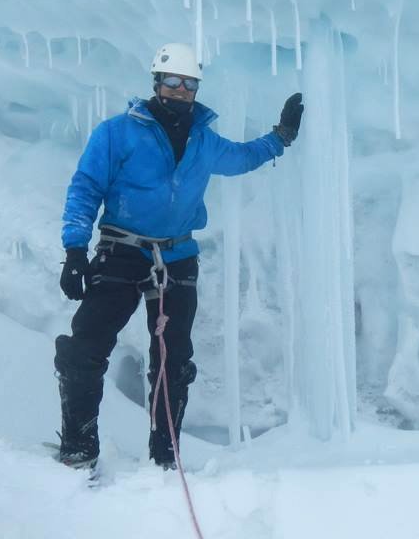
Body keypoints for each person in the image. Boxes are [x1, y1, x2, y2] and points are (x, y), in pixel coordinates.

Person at [54, 42, 303, 469]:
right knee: (85, 349)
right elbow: (85, 188)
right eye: (172, 81)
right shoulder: (117, 132)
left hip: (176, 259)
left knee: (173, 360)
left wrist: (281, 137)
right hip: (120, 252)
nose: (180, 89)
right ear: (156, 82)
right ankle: (79, 447)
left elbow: (242, 158)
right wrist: (75, 249)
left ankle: (164, 457)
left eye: (188, 83)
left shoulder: (204, 140)